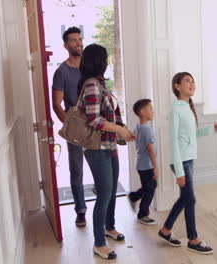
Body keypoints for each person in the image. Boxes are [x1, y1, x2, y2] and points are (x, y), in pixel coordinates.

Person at [79, 43, 136, 259]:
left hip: (109, 146)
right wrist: (120, 130)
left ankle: (109, 227)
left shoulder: (101, 83)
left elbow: (111, 112)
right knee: (104, 194)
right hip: (97, 148)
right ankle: (99, 243)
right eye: (105, 58)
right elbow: (94, 120)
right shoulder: (92, 85)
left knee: (111, 190)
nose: (107, 62)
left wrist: (123, 131)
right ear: (98, 61)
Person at [158, 72, 217, 255]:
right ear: (177, 86)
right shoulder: (175, 109)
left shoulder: (186, 107)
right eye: (187, 81)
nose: (192, 84)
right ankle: (193, 239)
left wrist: (209, 129)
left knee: (185, 198)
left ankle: (166, 230)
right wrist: (179, 171)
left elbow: (191, 135)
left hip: (188, 159)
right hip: (181, 161)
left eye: (193, 82)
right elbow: (174, 141)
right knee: (190, 199)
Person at [51, 26, 88, 226]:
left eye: (79, 39)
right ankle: (80, 210)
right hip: (76, 128)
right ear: (66, 46)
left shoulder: (88, 67)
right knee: (77, 171)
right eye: (73, 40)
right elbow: (56, 103)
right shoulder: (61, 72)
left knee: (102, 166)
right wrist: (70, 126)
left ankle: (104, 207)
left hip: (96, 125)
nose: (78, 42)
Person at [128, 99, 158, 225]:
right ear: (142, 112)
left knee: (149, 187)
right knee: (150, 189)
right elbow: (150, 150)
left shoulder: (138, 128)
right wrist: (155, 167)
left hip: (141, 164)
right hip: (147, 165)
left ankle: (134, 196)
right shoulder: (146, 129)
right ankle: (143, 214)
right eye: (150, 109)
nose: (153, 111)